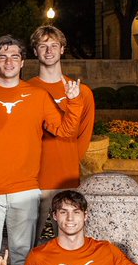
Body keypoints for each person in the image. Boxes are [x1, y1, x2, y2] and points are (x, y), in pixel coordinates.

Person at [0, 35, 83, 265]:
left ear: (23, 62)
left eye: (14, 56)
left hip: (24, 187)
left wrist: (74, 102)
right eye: (2, 56)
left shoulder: (37, 95)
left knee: (23, 255)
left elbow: (64, 130)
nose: (8, 61)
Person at [28, 26, 96, 237]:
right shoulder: (27, 90)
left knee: (68, 237)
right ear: (35, 52)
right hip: (34, 176)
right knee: (30, 239)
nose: (49, 51)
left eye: (54, 46)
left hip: (67, 176)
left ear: (63, 50)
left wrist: (69, 159)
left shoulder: (81, 92)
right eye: (43, 46)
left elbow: (84, 134)